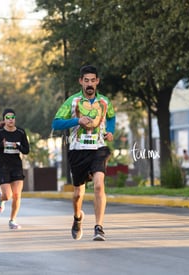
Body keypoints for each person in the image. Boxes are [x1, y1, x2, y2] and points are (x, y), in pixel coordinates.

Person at [52, 65, 116, 241]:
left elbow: (111, 116)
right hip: (77, 150)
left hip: (99, 148)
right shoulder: (72, 102)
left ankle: (99, 227)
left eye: (92, 80)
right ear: (81, 81)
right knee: (78, 194)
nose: (89, 84)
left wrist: (110, 130)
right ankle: (77, 217)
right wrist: (77, 120)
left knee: (98, 185)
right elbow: (56, 123)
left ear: (97, 81)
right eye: (86, 80)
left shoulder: (104, 102)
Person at [0, 108, 30, 229]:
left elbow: (26, 150)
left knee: (17, 195)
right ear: (4, 120)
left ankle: (12, 220)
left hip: (16, 165)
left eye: (12, 118)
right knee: (7, 195)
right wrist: (1, 145)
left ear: (15, 119)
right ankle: (1, 198)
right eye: (8, 118)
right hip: (2, 165)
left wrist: (19, 146)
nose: (10, 120)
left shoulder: (20, 132)